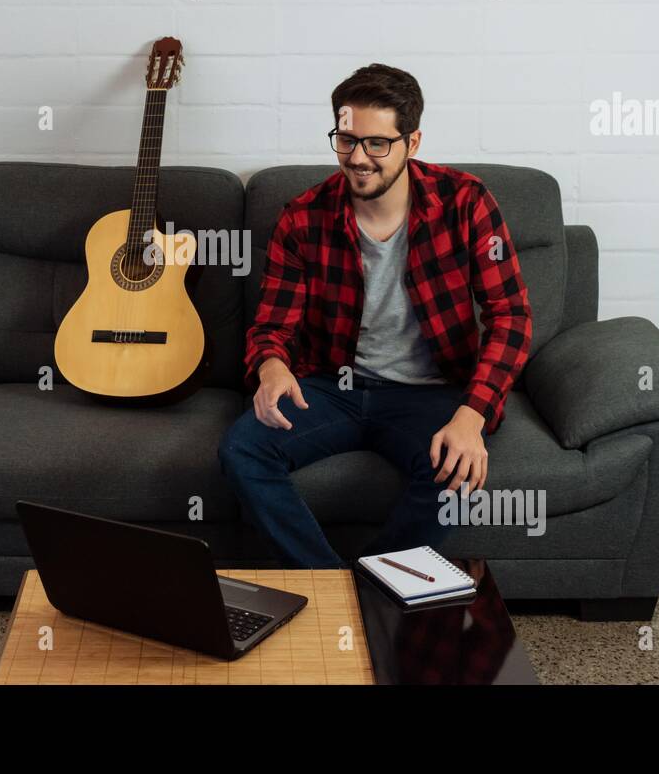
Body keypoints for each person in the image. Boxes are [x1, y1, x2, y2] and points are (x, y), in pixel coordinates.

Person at [218, 63, 533, 568]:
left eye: (377, 144)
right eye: (346, 140)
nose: (359, 158)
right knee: (241, 450)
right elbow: (272, 326)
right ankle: (330, 588)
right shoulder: (303, 216)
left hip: (430, 392)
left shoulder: (467, 203)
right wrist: (272, 368)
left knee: (453, 474)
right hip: (330, 387)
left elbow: (510, 316)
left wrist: (472, 415)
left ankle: (376, 585)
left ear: (412, 142)